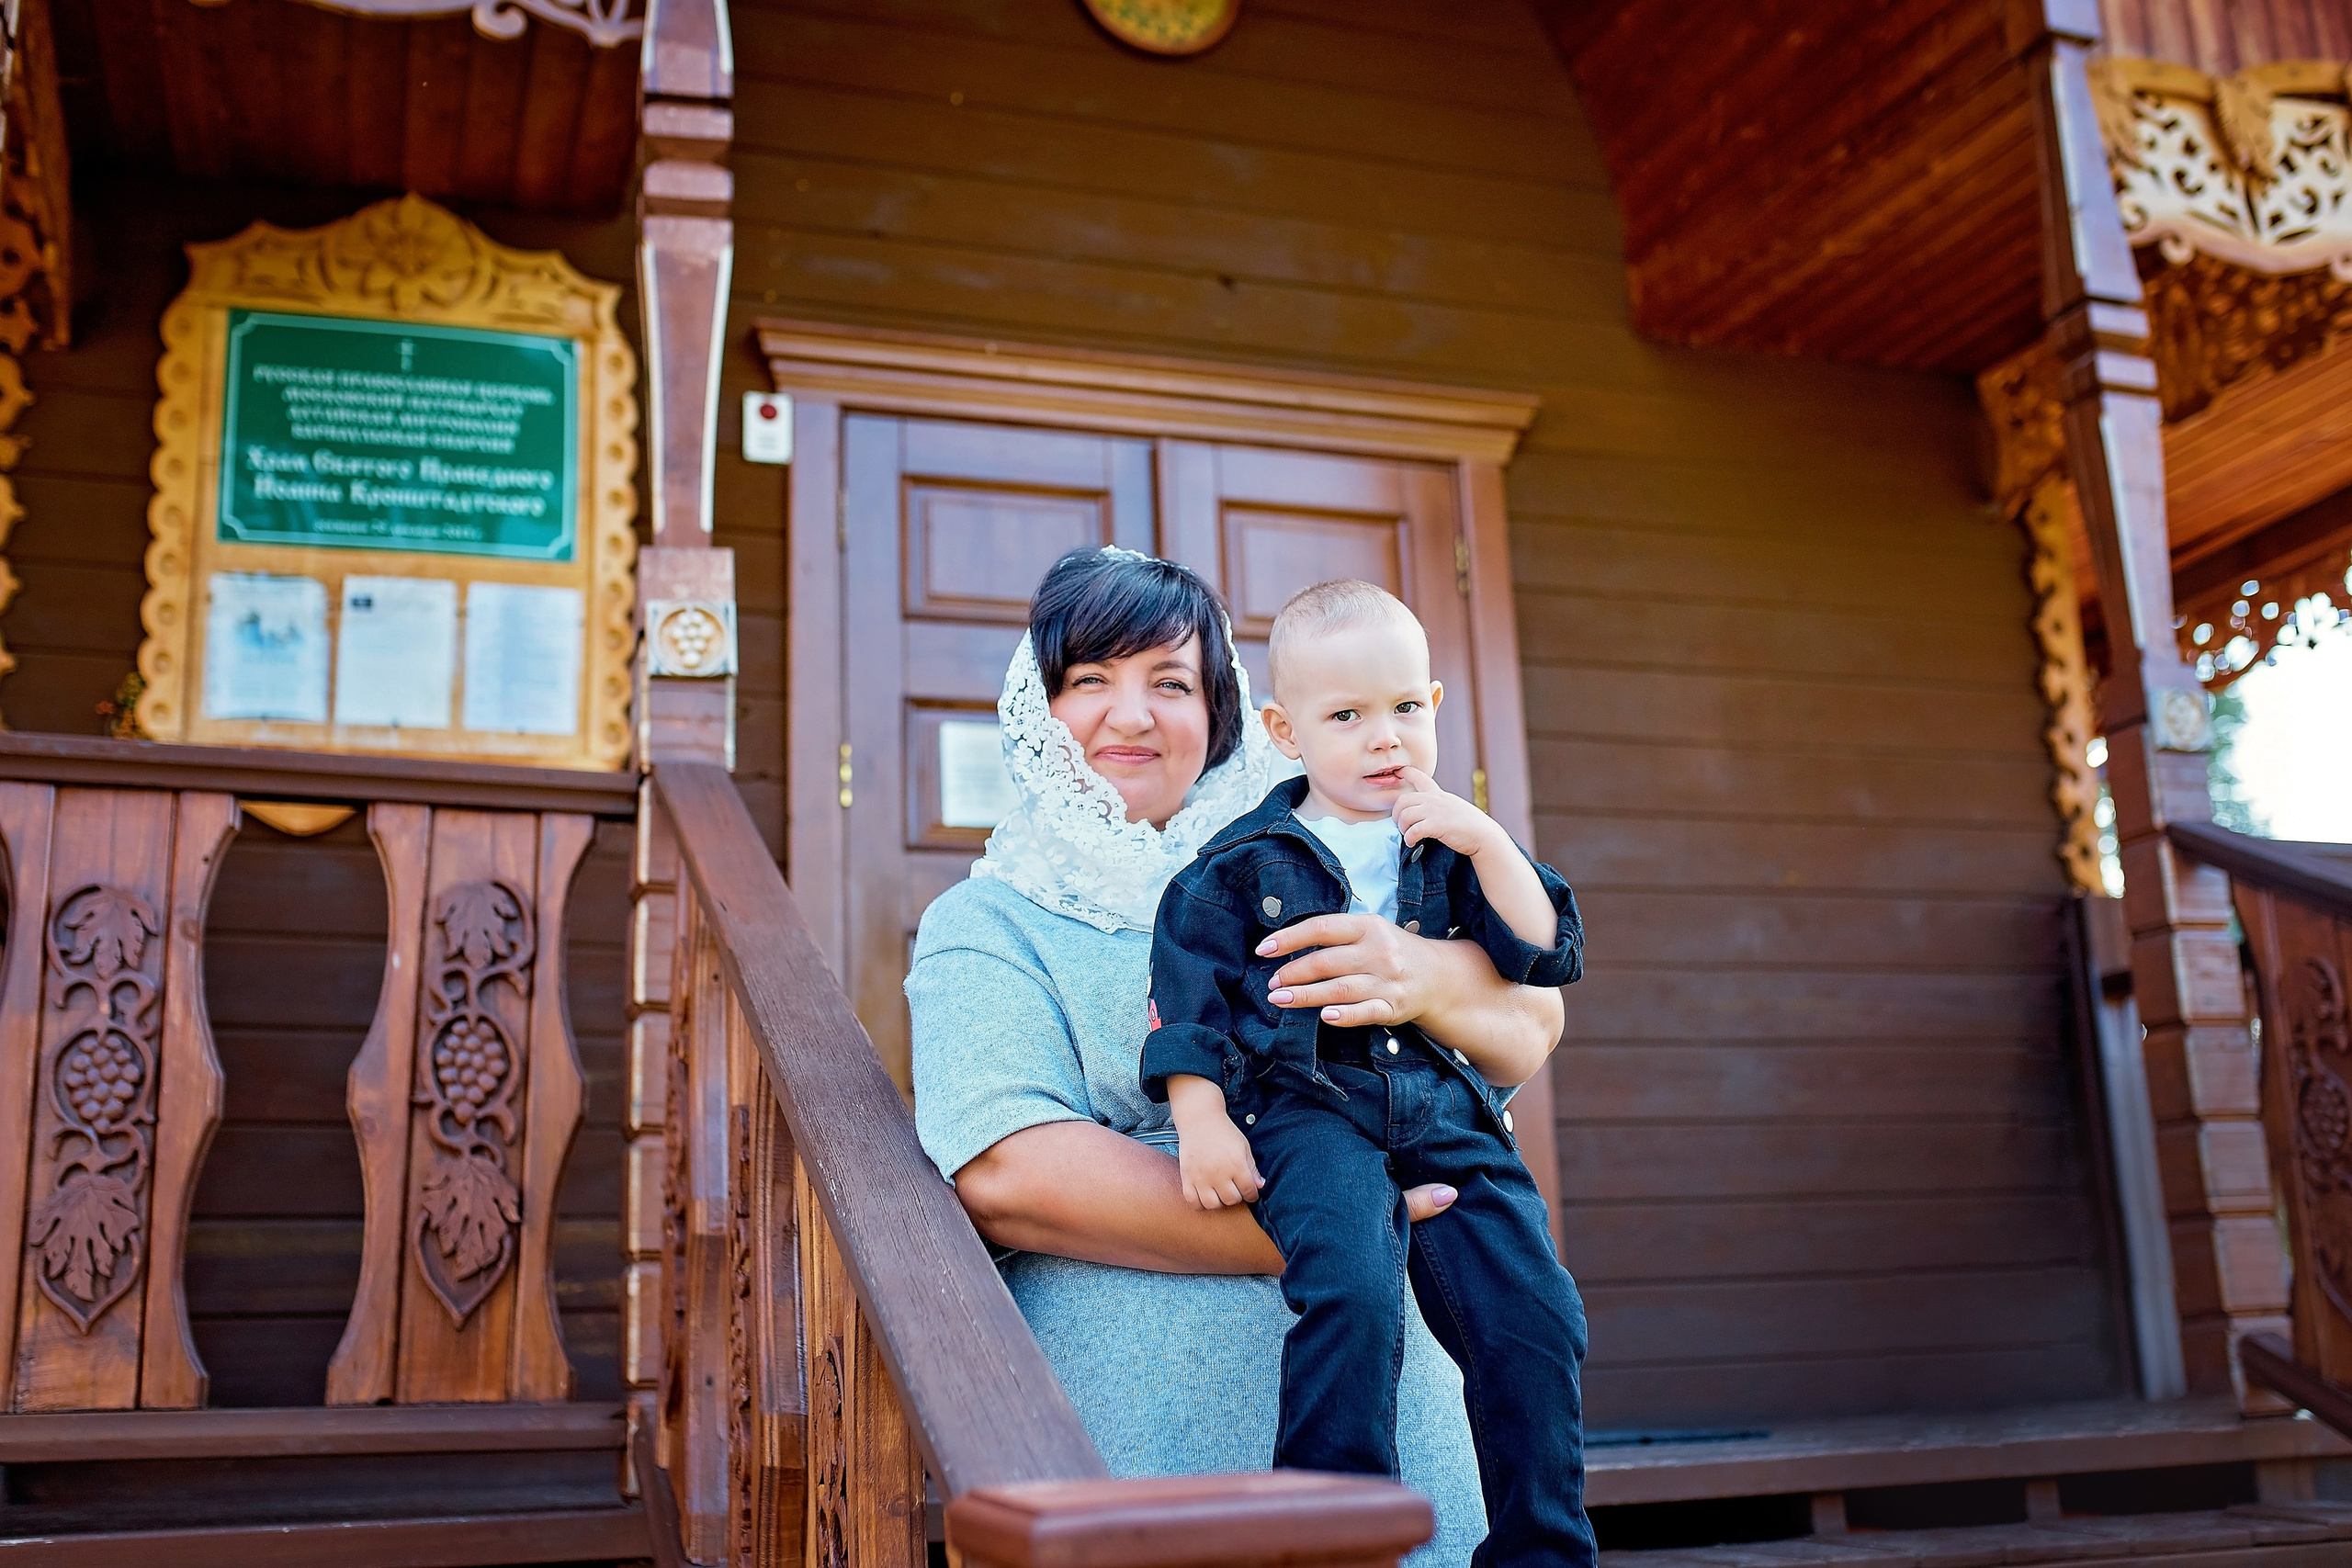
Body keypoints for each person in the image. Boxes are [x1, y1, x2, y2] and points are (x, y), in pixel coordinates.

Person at [908, 547, 1566, 1567]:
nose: (1131, 716)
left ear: (1224, 713)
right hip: (1149, 1443)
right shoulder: (985, 923)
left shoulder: (1350, 856)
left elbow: (1528, 1032)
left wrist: (1422, 975)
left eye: (1170, 683)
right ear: (1039, 709)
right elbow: (1008, 1172)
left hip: (1416, 1434)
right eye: (1090, 681)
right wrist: (1337, 1226)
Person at [1142, 579, 1594, 1568]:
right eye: (1345, 716)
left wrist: (1486, 838)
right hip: (1308, 1110)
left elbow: (1541, 956)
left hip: (1446, 1104)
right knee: (1349, 1290)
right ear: (1285, 730)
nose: (1382, 738)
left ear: (1433, 708)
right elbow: (1188, 1011)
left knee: (1535, 1317)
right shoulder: (1234, 866)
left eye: (1402, 709)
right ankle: (1330, 1539)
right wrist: (1205, 1124)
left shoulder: (1454, 843)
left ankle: (1542, 1551)